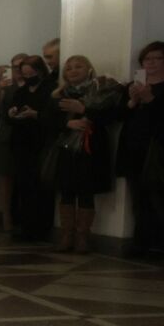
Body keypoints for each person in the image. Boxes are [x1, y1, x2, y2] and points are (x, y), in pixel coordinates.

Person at [118, 41, 164, 257]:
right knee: (138, 197)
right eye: (148, 59)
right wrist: (132, 101)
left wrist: (150, 98)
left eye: (157, 58)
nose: (152, 62)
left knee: (158, 195)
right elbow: (121, 115)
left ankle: (161, 243)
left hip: (159, 146)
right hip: (134, 145)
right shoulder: (134, 84)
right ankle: (140, 241)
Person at [50, 55, 123, 253]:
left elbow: (111, 118)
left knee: (86, 191)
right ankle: (67, 235)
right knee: (66, 191)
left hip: (91, 147)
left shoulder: (102, 90)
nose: (73, 71)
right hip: (66, 147)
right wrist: (67, 123)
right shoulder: (59, 94)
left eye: (78, 67)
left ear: (89, 69)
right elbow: (48, 121)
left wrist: (84, 109)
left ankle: (83, 236)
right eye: (69, 68)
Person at [7, 55, 55, 242]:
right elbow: (12, 111)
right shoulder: (21, 91)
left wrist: (36, 114)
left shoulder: (49, 90)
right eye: (24, 73)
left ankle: (41, 228)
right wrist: (13, 113)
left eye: (31, 73)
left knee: (41, 187)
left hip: (40, 143)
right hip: (21, 143)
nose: (27, 76)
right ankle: (25, 225)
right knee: (23, 186)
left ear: (40, 71)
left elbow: (52, 116)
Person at [0, 54, 28, 232]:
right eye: (14, 67)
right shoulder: (8, 87)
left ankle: (23, 217)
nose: (18, 70)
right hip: (6, 136)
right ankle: (7, 217)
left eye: (21, 66)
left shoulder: (34, 87)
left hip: (27, 137)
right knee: (5, 178)